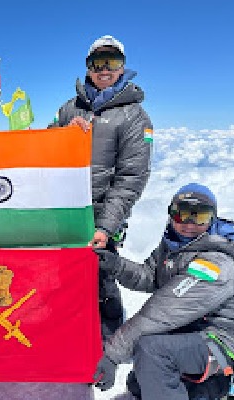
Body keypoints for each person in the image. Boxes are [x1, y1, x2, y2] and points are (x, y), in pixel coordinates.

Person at [92, 183, 234, 400]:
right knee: (143, 377)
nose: (189, 223)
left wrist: (112, 355)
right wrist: (115, 265)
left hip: (221, 341)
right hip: (189, 333)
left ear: (212, 219)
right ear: (171, 214)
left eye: (200, 216)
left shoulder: (216, 264)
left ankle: (225, 385)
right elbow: (150, 277)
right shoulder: (175, 246)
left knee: (153, 350)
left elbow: (163, 312)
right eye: (183, 214)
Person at [49, 34, 153, 339]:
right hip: (65, 213)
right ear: (88, 67)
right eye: (98, 62)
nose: (104, 69)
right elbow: (43, 150)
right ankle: (68, 332)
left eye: (112, 62)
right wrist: (62, 135)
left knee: (101, 277)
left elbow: (131, 177)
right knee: (65, 276)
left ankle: (107, 339)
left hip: (101, 215)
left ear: (123, 68)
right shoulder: (70, 108)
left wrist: (106, 227)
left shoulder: (134, 116)